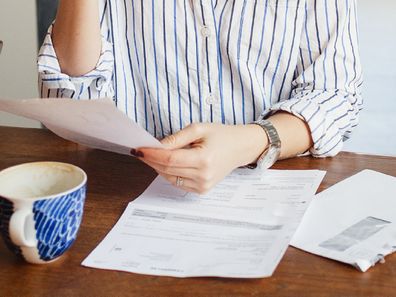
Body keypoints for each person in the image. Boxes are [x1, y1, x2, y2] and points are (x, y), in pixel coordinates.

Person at [38, 0, 362, 194]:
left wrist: (249, 142)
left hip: (270, 188)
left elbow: (335, 96)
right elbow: (68, 96)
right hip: (131, 189)